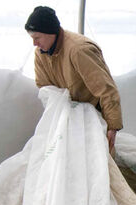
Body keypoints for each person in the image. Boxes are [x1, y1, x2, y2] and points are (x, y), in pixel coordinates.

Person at [26, 6, 121, 153]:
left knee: (97, 161)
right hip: (66, 118)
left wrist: (112, 127)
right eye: (32, 39)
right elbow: (45, 89)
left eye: (37, 38)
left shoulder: (79, 50)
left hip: (92, 117)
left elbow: (106, 89)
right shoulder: (41, 54)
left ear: (51, 32)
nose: (34, 44)